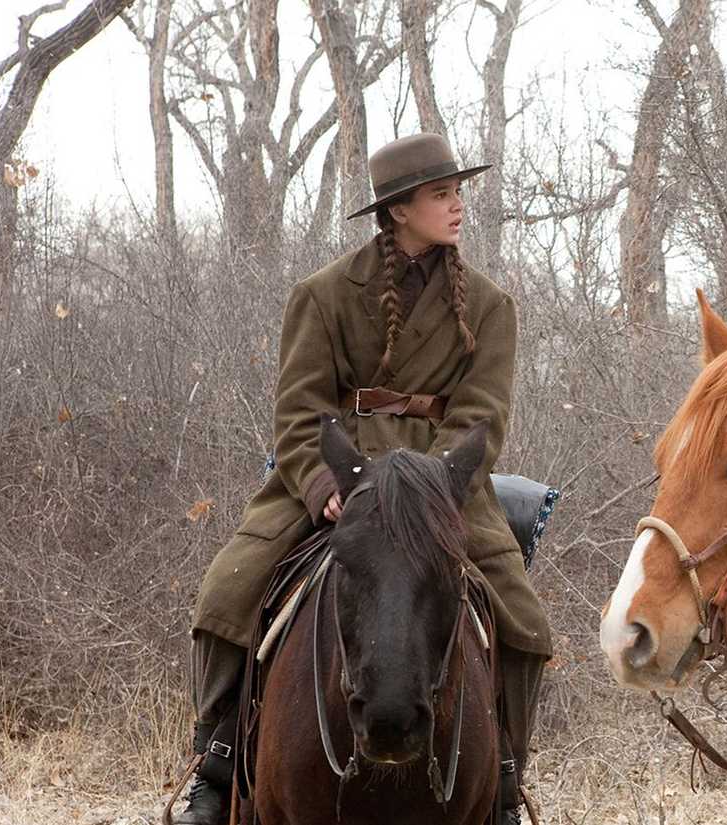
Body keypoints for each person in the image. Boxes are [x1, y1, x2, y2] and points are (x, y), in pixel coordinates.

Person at [175, 133, 552, 825]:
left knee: (526, 621)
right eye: (442, 194)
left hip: (445, 485)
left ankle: (504, 785)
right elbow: (298, 413)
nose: (457, 205)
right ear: (400, 210)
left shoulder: (492, 306)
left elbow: (482, 418)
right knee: (225, 590)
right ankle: (216, 765)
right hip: (335, 472)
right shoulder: (321, 294)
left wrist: (432, 489)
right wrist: (324, 487)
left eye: (456, 192)